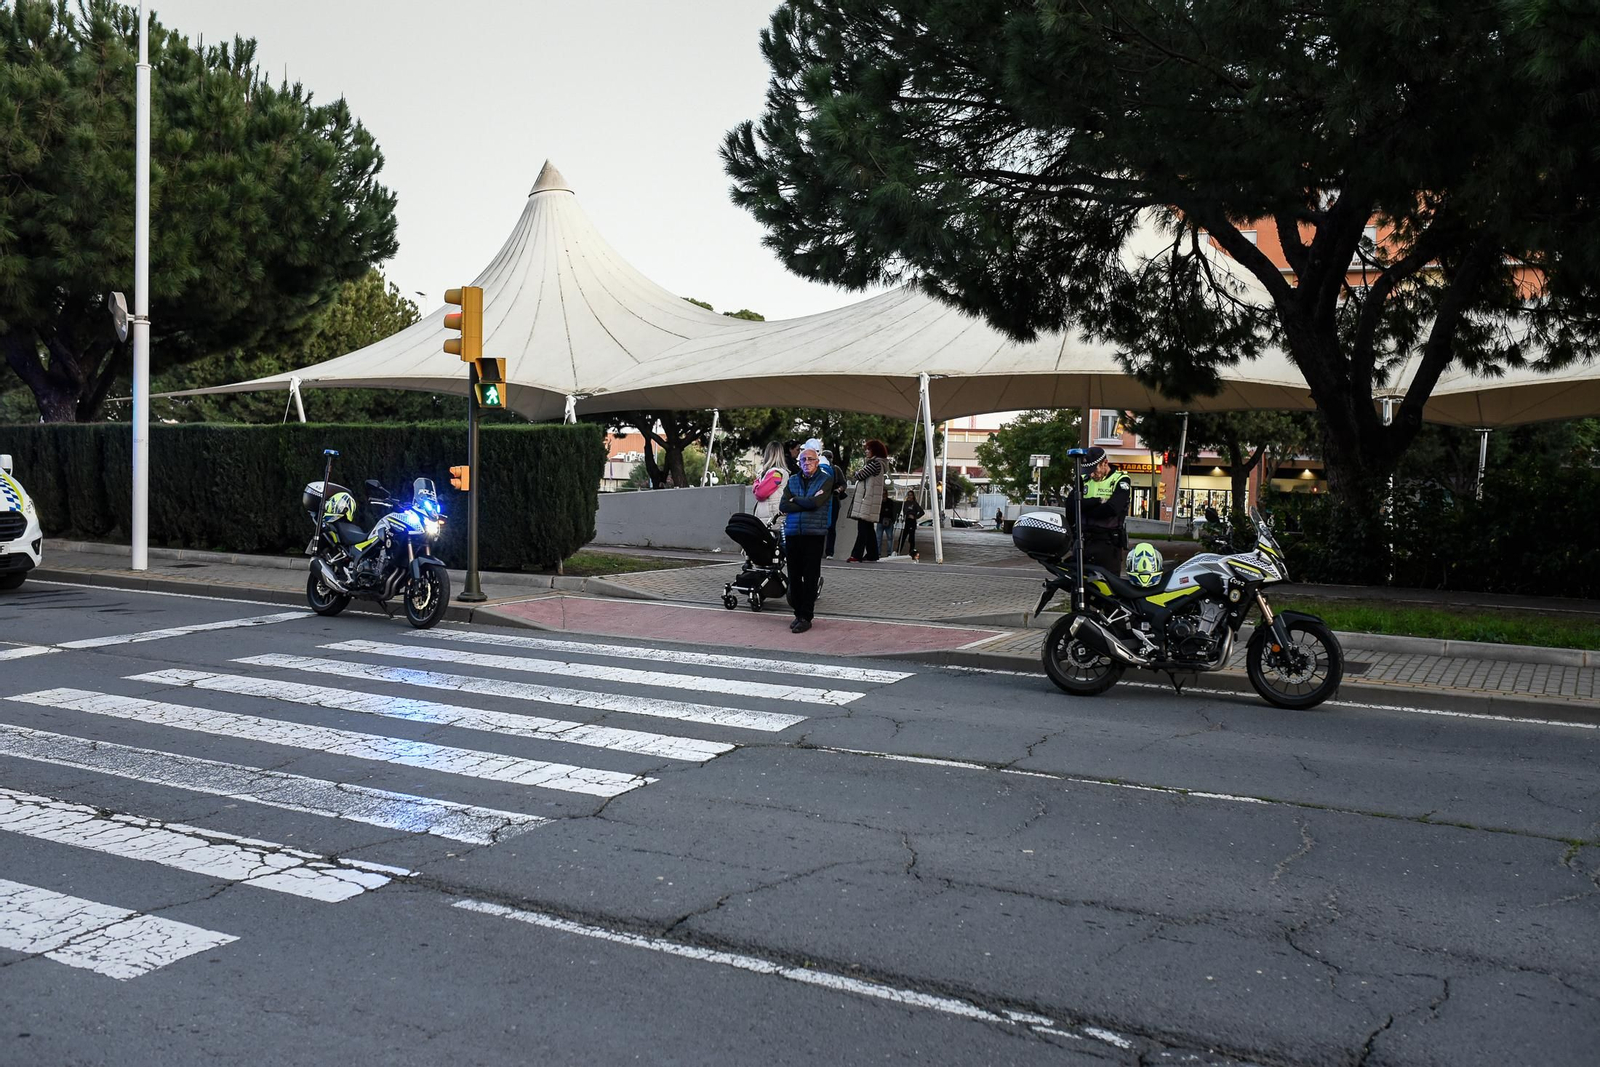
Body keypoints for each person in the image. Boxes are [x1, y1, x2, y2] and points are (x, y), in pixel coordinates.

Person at [779, 439, 834, 633]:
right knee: (794, 577)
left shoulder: (825, 480)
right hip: (793, 532)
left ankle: (806, 615)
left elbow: (816, 503)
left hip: (814, 534)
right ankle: (798, 613)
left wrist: (797, 500)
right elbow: (783, 505)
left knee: (810, 576)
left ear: (817, 461)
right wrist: (804, 501)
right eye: (803, 460)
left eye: (811, 459)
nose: (807, 463)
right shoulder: (793, 480)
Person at [1063, 445, 1132, 574]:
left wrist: (1082, 507)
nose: (1091, 474)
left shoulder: (1121, 480)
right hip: (1084, 542)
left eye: (1094, 470)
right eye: (1088, 470)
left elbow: (1111, 509)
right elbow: (1071, 509)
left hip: (1107, 543)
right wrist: (1097, 501)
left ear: (1105, 463)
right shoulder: (1083, 479)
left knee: (1107, 588)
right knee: (1078, 586)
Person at [845, 439, 889, 562]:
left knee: (863, 530)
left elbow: (859, 475)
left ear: (875, 450)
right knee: (868, 529)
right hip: (870, 501)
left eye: (868, 449)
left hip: (867, 501)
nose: (866, 451)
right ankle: (872, 554)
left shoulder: (874, 464)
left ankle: (856, 554)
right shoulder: (879, 464)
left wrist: (858, 471)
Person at [751, 442, 788, 524]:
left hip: (771, 516)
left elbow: (761, 493)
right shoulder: (773, 473)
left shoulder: (776, 473)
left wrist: (757, 483)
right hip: (770, 514)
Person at [821, 448, 843, 558]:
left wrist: (837, 490)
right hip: (821, 499)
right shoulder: (819, 468)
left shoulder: (835, 469)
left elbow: (843, 484)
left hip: (833, 500)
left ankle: (829, 552)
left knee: (831, 527)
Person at [897, 488, 925, 557]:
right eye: (908, 495)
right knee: (902, 537)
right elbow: (903, 511)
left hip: (912, 522)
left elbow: (922, 512)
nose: (909, 496)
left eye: (911, 495)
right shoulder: (905, 503)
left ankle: (911, 552)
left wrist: (915, 517)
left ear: (913, 496)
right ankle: (898, 551)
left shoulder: (915, 504)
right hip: (906, 521)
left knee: (911, 538)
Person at [877, 490, 901, 557]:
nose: (884, 495)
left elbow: (893, 511)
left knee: (890, 538)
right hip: (880, 522)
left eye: (885, 494)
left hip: (889, 522)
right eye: (882, 494)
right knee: (878, 538)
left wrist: (892, 520)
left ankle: (889, 553)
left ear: (887, 494)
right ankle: (878, 553)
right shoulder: (879, 502)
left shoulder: (890, 502)